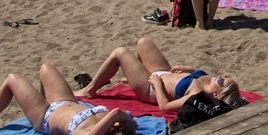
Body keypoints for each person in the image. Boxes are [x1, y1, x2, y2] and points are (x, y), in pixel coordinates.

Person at [72, 37, 240, 113]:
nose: (218, 76)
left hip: (151, 89)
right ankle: (133, 77)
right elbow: (196, 76)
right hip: (162, 74)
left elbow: (165, 107)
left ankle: (89, 90)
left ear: (216, 94)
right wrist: (190, 70)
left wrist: (157, 85)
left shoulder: (196, 95)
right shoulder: (206, 80)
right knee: (143, 43)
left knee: (120, 53)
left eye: (220, 80)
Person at [0, 62, 136, 135]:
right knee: (46, 67)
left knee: (13, 79)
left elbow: (117, 112)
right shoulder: (110, 124)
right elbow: (120, 116)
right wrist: (128, 124)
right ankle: (39, 100)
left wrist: (120, 120)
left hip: (45, 117)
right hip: (67, 102)